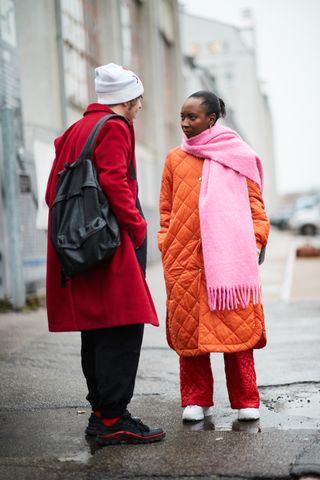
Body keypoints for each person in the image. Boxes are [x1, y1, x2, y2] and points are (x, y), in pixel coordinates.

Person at [45, 63, 165, 445]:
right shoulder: (113, 127)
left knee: (95, 330)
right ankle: (114, 419)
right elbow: (116, 184)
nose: (140, 106)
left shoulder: (75, 130)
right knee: (123, 326)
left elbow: (52, 193)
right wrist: (137, 227)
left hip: (77, 245)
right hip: (109, 243)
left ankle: (101, 414)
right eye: (138, 99)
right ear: (127, 99)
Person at [158, 91, 270, 422]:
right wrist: (166, 244)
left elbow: (256, 208)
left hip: (232, 266)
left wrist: (253, 243)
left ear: (211, 119)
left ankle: (246, 400)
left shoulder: (239, 155)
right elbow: (166, 210)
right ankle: (196, 399)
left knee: (238, 335)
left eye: (192, 117)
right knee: (190, 336)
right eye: (182, 116)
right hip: (185, 260)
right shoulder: (174, 159)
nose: (184, 123)